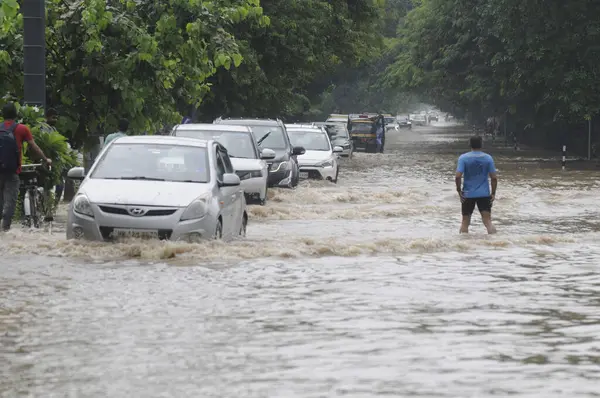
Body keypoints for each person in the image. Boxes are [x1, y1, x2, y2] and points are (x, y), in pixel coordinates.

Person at [0, 102, 52, 231]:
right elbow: (34, 147)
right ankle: (5, 229)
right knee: (10, 201)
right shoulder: (22, 129)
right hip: (12, 171)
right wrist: (46, 159)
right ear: (16, 114)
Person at [455, 135, 498, 234]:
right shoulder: (488, 158)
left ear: (469, 144)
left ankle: (462, 245)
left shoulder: (463, 158)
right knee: (488, 222)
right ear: (481, 144)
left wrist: (459, 190)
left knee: (465, 222)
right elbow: (494, 178)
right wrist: (493, 193)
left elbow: (458, 176)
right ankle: (496, 244)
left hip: (468, 194)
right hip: (484, 194)